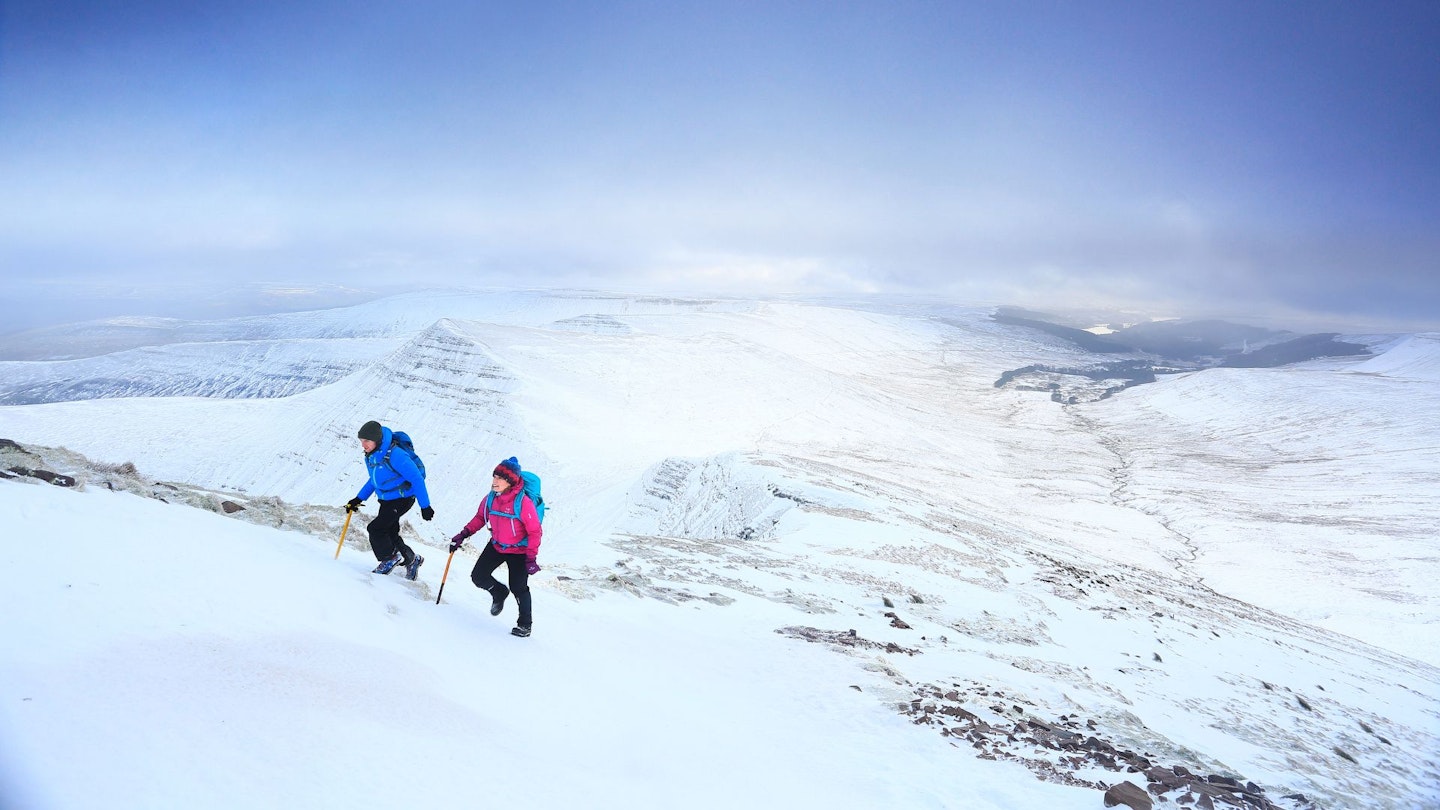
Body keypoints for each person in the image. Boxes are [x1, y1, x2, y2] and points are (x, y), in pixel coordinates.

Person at [448, 457, 542, 637]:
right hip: (497, 545)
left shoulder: (523, 503)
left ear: (511, 481)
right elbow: (480, 518)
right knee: (478, 576)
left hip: (519, 551)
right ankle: (499, 592)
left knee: (519, 588)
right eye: (494, 476)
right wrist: (464, 534)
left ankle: (525, 625)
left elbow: (535, 531)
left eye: (500, 478)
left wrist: (531, 557)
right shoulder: (491, 498)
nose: (494, 481)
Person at [345, 420, 432, 580]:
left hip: (402, 499)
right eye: (361, 441)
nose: (363, 445)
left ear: (377, 440)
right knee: (390, 532)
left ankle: (389, 558)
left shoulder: (396, 455)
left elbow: (417, 479)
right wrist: (358, 499)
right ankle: (412, 559)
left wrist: (425, 506)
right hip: (386, 500)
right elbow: (374, 480)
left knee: (376, 529)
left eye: (366, 441)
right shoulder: (372, 456)